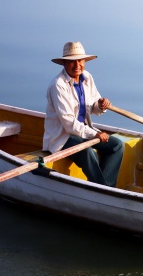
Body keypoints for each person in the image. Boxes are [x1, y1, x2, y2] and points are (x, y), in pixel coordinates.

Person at [43, 41, 124, 187]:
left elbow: (93, 106)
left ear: (84, 61)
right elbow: (68, 124)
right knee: (87, 151)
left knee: (117, 146)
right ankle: (102, 189)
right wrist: (94, 134)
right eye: (72, 62)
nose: (77, 65)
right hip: (63, 136)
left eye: (80, 60)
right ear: (64, 64)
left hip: (83, 131)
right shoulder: (58, 85)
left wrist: (100, 105)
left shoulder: (87, 77)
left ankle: (105, 187)